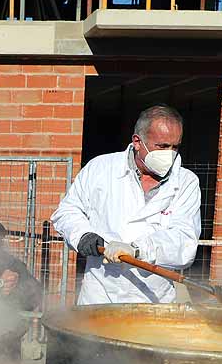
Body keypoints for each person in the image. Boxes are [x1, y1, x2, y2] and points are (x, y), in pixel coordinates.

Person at [50, 105, 202, 304]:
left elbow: (184, 241)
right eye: (163, 146)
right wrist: (82, 235)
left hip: (154, 301)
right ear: (138, 142)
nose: (170, 154)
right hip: (100, 296)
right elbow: (68, 211)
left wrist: (137, 250)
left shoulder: (186, 182)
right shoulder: (100, 169)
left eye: (175, 147)